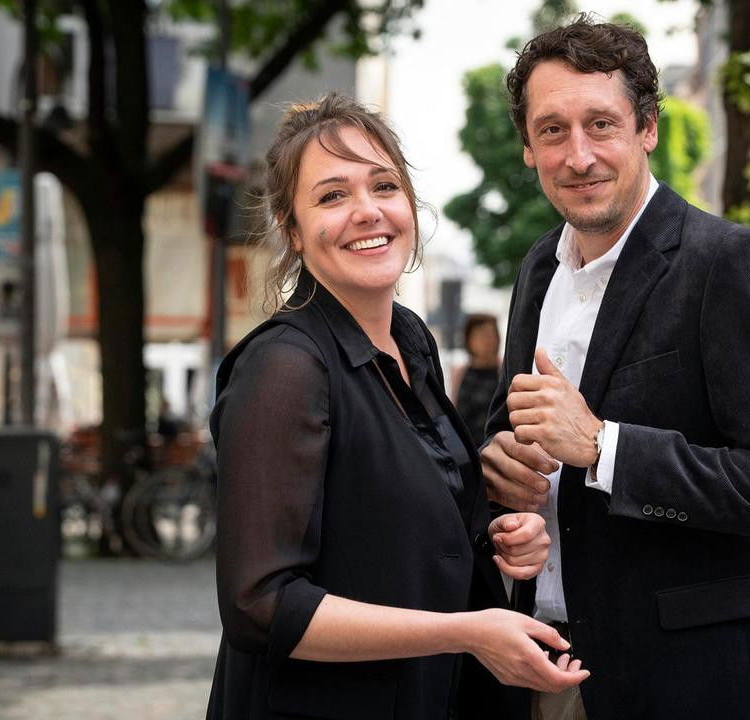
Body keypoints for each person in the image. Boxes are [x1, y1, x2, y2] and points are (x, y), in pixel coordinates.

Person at [479, 17, 750, 719]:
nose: (578, 155)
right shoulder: (536, 270)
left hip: (699, 686)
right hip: (546, 668)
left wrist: (602, 447)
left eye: (601, 125)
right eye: (552, 131)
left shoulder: (730, 263)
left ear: (646, 128)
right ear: (527, 147)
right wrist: (501, 474)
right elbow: (512, 441)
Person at [206, 94, 587, 720]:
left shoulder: (411, 339)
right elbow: (261, 606)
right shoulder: (284, 368)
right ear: (291, 228)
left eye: (384, 186)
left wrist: (495, 535)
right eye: (332, 196)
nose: (367, 210)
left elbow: (388, 529)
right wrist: (465, 632)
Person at [453, 313, 503, 442]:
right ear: (468, 339)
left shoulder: (504, 372)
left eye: (491, 335)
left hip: (495, 445)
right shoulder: (460, 373)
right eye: (480, 335)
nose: (487, 341)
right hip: (467, 446)